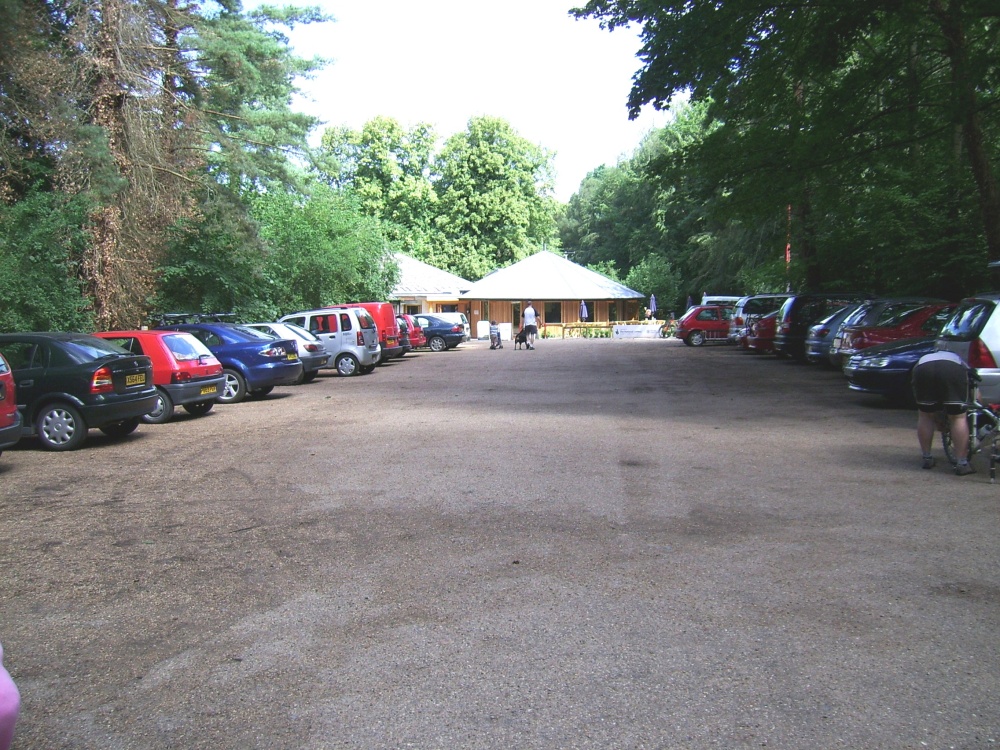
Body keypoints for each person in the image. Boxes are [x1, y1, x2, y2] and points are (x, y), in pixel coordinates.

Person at [911, 350, 974, 475]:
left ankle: (927, 457)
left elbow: (914, 387)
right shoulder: (958, 358)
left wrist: (936, 417)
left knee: (925, 415)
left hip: (923, 369)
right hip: (951, 370)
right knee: (958, 418)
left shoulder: (923, 358)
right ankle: (962, 463)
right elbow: (973, 388)